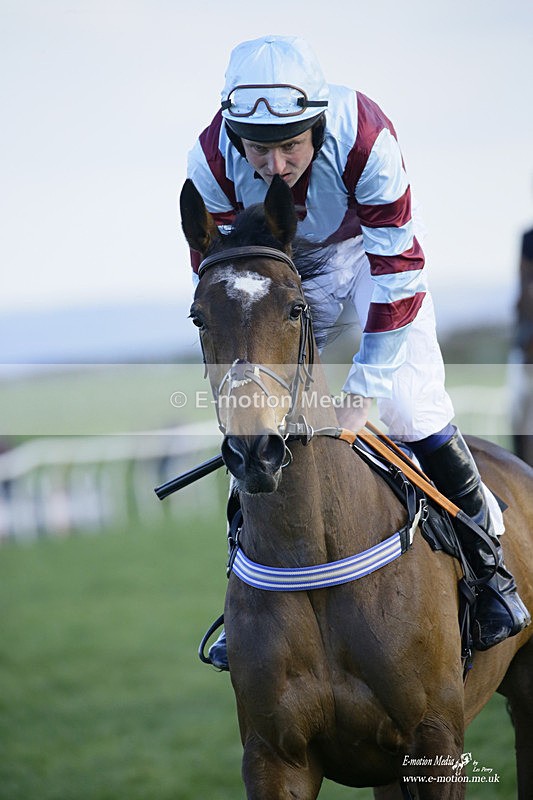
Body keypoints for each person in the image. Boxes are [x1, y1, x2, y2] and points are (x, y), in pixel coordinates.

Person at [186, 34, 529, 667]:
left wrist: (363, 391)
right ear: (236, 137)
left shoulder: (367, 138)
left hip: (373, 258)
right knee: (255, 419)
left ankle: (491, 575)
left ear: (317, 126)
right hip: (290, 269)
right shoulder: (209, 160)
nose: (275, 166)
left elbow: (397, 270)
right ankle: (244, 589)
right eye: (258, 149)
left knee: (409, 407)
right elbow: (226, 278)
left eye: (291, 146)